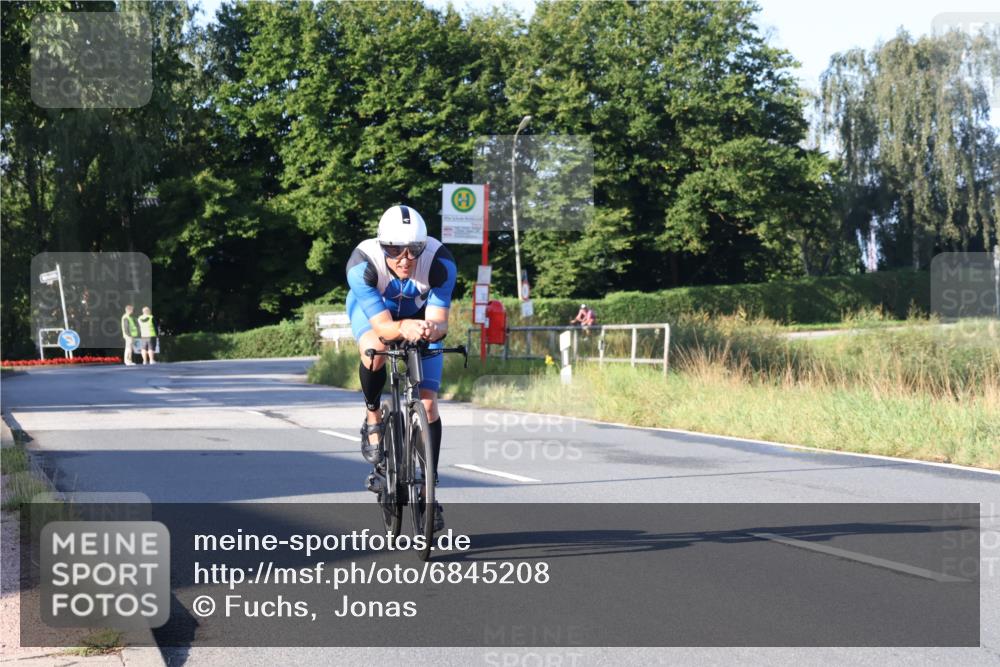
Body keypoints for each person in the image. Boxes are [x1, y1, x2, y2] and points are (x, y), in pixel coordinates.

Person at [346, 204, 456, 531]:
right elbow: (382, 329)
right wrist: (403, 326)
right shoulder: (362, 264)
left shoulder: (440, 262)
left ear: (424, 246)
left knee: (428, 405)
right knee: (375, 350)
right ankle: (372, 415)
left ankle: (428, 490)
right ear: (383, 246)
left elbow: (439, 322)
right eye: (395, 250)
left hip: (418, 318)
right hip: (374, 315)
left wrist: (428, 330)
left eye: (414, 250)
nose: (405, 258)